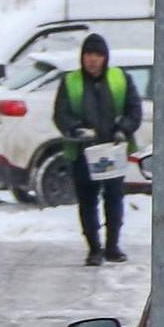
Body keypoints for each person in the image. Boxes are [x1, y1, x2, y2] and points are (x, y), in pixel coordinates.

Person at [51, 32, 141, 266]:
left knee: (114, 198)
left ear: (105, 57)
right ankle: (94, 248)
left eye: (97, 55)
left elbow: (134, 110)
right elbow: (60, 114)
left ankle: (112, 246)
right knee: (88, 201)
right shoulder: (70, 82)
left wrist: (124, 129)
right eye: (88, 54)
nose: (92, 60)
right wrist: (75, 129)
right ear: (82, 57)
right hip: (83, 153)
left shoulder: (120, 78)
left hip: (112, 150)